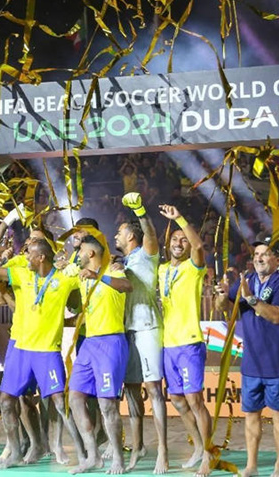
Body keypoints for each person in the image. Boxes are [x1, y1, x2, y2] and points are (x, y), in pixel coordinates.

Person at [0, 237, 86, 469]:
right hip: (21, 350)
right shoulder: (22, 274)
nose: (26, 257)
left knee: (60, 404)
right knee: (5, 401)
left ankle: (83, 454)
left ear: (41, 257)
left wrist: (83, 263)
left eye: (30, 253)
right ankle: (14, 452)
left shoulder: (64, 279)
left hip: (47, 352)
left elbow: (90, 270)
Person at [214, 235, 279, 477]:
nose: (258, 258)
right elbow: (224, 307)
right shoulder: (246, 280)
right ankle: (251, 465)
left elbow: (277, 316)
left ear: (277, 259)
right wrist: (220, 293)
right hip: (252, 363)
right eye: (256, 254)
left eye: (265, 254)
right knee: (251, 415)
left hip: (278, 363)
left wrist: (250, 298)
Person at [68, 235, 132, 474]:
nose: (78, 255)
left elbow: (127, 287)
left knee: (107, 404)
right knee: (75, 397)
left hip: (110, 342)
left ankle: (118, 457)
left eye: (81, 251)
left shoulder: (113, 271)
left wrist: (99, 277)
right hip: (89, 344)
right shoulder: (81, 276)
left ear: (91, 254)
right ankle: (92, 455)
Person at [157, 204, 213, 476]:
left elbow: (199, 245)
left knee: (195, 400)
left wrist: (178, 218)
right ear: (168, 245)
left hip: (190, 342)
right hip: (168, 344)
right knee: (178, 401)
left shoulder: (194, 267)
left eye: (183, 240)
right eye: (174, 240)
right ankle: (198, 448)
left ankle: (208, 453)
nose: (179, 243)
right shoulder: (162, 270)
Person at [115, 192, 167, 473]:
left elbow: (150, 231)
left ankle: (162, 451)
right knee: (131, 391)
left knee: (154, 390)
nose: (115, 236)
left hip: (148, 328)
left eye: (120, 233)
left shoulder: (147, 254)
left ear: (131, 237)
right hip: (126, 331)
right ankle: (137, 447)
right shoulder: (119, 264)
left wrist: (139, 210)